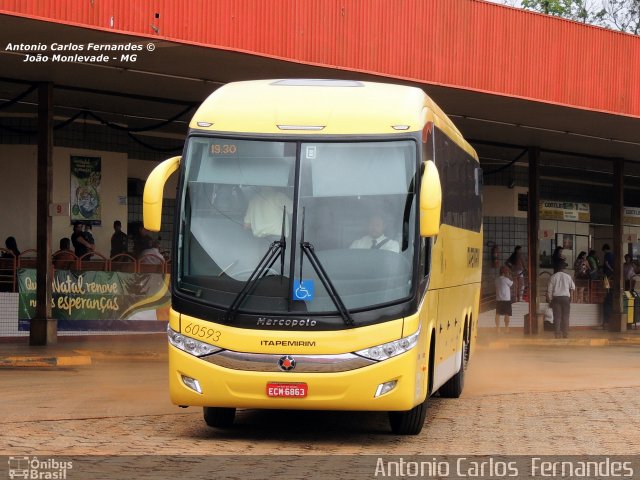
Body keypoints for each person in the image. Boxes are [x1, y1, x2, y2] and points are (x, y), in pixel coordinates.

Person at [547, 262, 576, 339]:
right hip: (566, 298)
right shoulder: (568, 276)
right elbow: (573, 287)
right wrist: (571, 297)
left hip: (556, 298)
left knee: (557, 317)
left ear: (556, 269)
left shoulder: (553, 277)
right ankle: (565, 334)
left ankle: (557, 334)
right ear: (563, 268)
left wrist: (550, 300)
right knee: (566, 317)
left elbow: (549, 290)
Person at [495, 266, 513, 333]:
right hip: (506, 300)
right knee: (507, 314)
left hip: (498, 299)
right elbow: (512, 283)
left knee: (498, 314)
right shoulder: (506, 279)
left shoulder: (496, 280)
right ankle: (506, 329)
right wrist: (509, 276)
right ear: (505, 272)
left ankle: (497, 329)